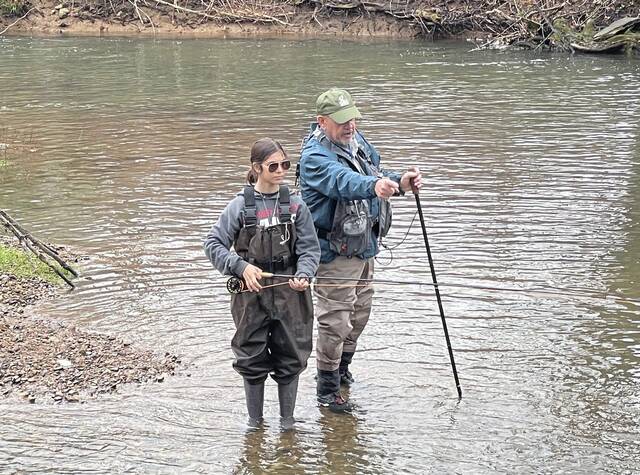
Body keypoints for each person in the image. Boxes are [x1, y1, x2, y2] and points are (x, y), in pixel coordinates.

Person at [298, 88, 422, 412]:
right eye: (342, 121)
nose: (350, 125)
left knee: (360, 315)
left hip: (364, 246)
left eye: (353, 118)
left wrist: (400, 183)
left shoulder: (356, 140)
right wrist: (374, 187)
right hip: (333, 253)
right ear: (321, 121)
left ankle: (341, 371)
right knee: (335, 321)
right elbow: (343, 181)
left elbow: (374, 176)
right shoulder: (314, 156)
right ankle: (326, 390)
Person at [204, 138, 320, 429]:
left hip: (291, 295)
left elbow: (310, 249)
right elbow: (213, 244)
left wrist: (304, 273)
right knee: (250, 356)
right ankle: (254, 424)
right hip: (249, 294)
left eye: (285, 164)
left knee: (292, 355)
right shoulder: (239, 207)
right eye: (273, 166)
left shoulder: (295, 206)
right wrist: (240, 267)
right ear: (256, 168)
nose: (281, 170)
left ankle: (288, 424)